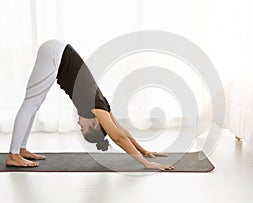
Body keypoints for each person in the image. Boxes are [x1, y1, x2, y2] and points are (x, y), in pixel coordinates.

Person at [6, 40, 174, 171]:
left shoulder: (103, 106)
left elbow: (123, 131)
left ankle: (21, 149)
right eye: (83, 128)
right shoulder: (96, 107)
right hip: (55, 54)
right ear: (94, 123)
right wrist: (145, 163)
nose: (79, 123)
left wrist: (144, 150)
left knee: (33, 104)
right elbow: (118, 137)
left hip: (57, 53)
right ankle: (13, 155)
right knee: (30, 104)